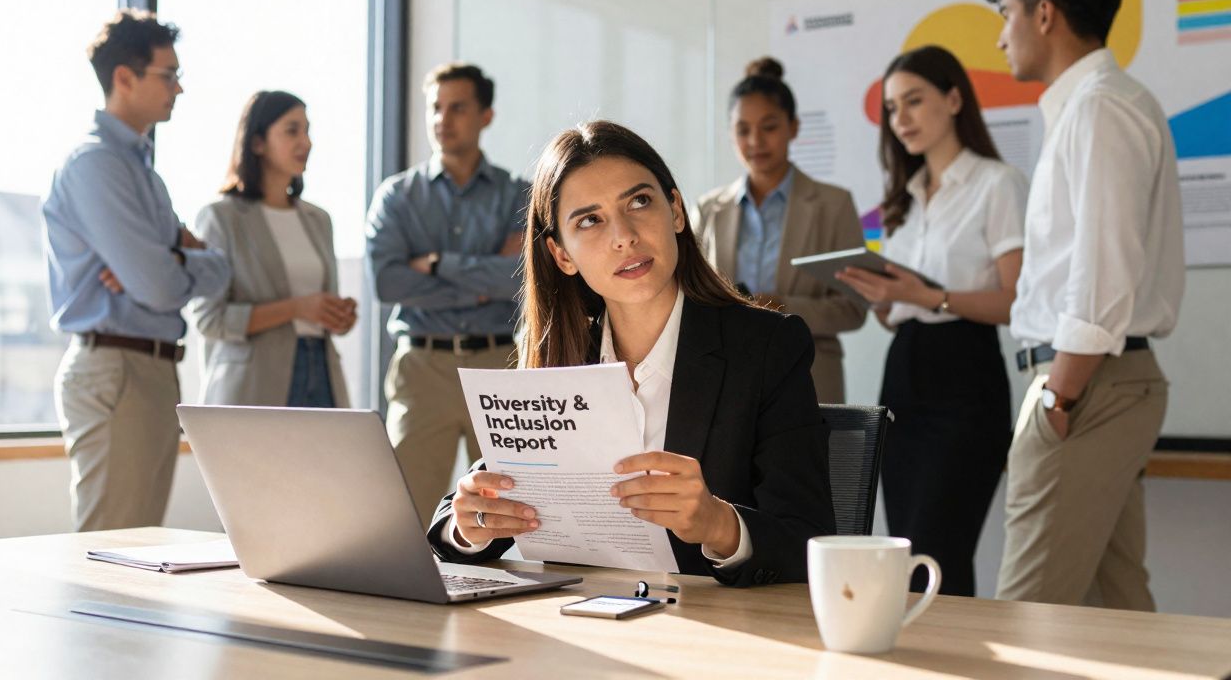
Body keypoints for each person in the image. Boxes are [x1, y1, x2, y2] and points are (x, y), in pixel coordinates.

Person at [425, 120, 836, 586]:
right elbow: (473, 510)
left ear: (676, 211)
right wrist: (468, 524)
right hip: (579, 627)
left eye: (640, 202)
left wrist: (718, 524)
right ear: (562, 255)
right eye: (590, 220)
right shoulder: (560, 353)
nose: (624, 236)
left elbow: (811, 540)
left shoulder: (767, 347)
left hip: (716, 632)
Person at [985, 0, 1184, 609]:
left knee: (1027, 613)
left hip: (1085, 386)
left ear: (1044, 15)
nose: (1000, 33)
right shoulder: (1096, 105)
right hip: (1098, 386)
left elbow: (1104, 276)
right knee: (1116, 604)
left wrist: (1059, 398)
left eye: (1007, 13)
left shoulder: (1100, 107)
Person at [836, 45, 1027, 597]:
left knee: (939, 549)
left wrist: (928, 295)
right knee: (907, 554)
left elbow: (1016, 300)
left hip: (965, 379)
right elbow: (904, 312)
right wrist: (884, 300)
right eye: (893, 110)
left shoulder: (998, 183)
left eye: (914, 101)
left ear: (953, 98)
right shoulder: (906, 199)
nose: (902, 120)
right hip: (904, 379)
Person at [42, 9, 230, 531]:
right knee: (110, 560)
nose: (179, 88)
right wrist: (172, 261)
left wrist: (172, 259)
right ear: (124, 77)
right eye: (168, 75)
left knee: (135, 552)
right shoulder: (95, 164)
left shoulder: (142, 173)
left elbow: (218, 271)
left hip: (149, 369)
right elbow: (159, 285)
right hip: (117, 367)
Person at [366, 63, 529, 527]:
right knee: (406, 515)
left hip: (500, 366)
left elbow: (521, 280)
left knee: (512, 512)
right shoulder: (396, 197)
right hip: (423, 369)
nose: (443, 119)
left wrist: (439, 264)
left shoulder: (520, 195)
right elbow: (389, 283)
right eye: (435, 108)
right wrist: (483, 284)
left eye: (457, 107)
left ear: (486, 115)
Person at [694, 57, 867, 403]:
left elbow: (852, 307)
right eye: (743, 130)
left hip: (810, 374)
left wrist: (782, 306)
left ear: (794, 127)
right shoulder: (709, 209)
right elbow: (693, 295)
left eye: (769, 126)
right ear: (731, 135)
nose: (755, 141)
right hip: (726, 379)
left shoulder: (833, 204)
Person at [190, 91, 356, 408]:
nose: (306, 142)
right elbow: (210, 320)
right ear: (257, 143)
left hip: (321, 373)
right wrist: (297, 308)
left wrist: (339, 316)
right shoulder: (221, 218)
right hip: (253, 385)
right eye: (292, 130)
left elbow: (322, 307)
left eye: (308, 131)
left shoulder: (319, 220)